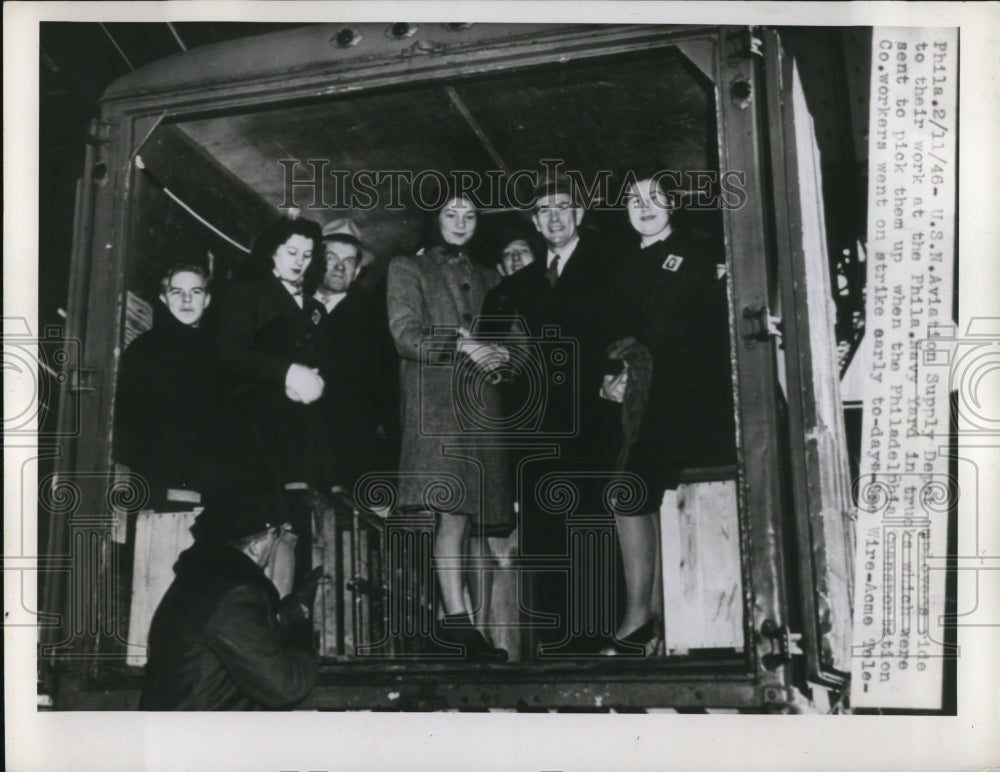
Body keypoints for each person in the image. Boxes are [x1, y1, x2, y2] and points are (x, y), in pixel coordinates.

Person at [600, 175, 736, 655]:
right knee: (631, 493)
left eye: (655, 198)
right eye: (634, 201)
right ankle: (644, 619)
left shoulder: (699, 253)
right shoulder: (619, 268)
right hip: (647, 402)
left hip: (694, 401)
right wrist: (610, 376)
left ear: (673, 205)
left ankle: (656, 620)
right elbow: (610, 336)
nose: (645, 208)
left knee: (676, 500)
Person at [484, 174, 619, 654]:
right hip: (537, 428)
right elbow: (492, 348)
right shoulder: (518, 284)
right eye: (544, 210)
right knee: (544, 533)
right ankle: (555, 642)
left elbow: (631, 328)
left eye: (564, 206)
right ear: (536, 221)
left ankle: (599, 639)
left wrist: (617, 372)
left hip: (596, 419)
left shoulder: (610, 265)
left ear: (579, 214)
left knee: (593, 522)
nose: (555, 216)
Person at [387, 193, 512, 662]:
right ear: (433, 218)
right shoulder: (407, 268)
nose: (461, 222)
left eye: (470, 214)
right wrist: (462, 344)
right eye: (451, 213)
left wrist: (504, 356)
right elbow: (405, 334)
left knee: (469, 519)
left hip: (481, 409)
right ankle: (456, 624)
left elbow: (513, 340)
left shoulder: (490, 276)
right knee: (451, 511)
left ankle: (463, 628)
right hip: (436, 407)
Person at [140, 482, 320, 710]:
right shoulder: (233, 596)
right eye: (280, 535)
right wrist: (298, 627)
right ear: (258, 545)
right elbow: (286, 686)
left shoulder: (196, 584)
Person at [216, 216, 332, 487]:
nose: (299, 262)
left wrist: (316, 381)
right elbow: (230, 354)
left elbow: (327, 364)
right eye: (292, 252)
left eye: (306, 255)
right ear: (272, 250)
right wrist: (287, 374)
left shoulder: (316, 309)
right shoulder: (246, 293)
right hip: (257, 421)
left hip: (304, 423)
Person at [114, 263, 226, 502]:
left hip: (212, 483)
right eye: (177, 292)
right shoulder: (144, 349)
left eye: (196, 292)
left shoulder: (219, 351)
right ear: (164, 298)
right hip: (160, 483)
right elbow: (132, 421)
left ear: (206, 299)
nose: (187, 299)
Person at [310, 220, 399, 487]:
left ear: (357, 270)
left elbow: (380, 388)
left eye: (348, 261)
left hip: (343, 449)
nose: (339, 266)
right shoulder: (291, 303)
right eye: (331, 258)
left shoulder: (372, 320)